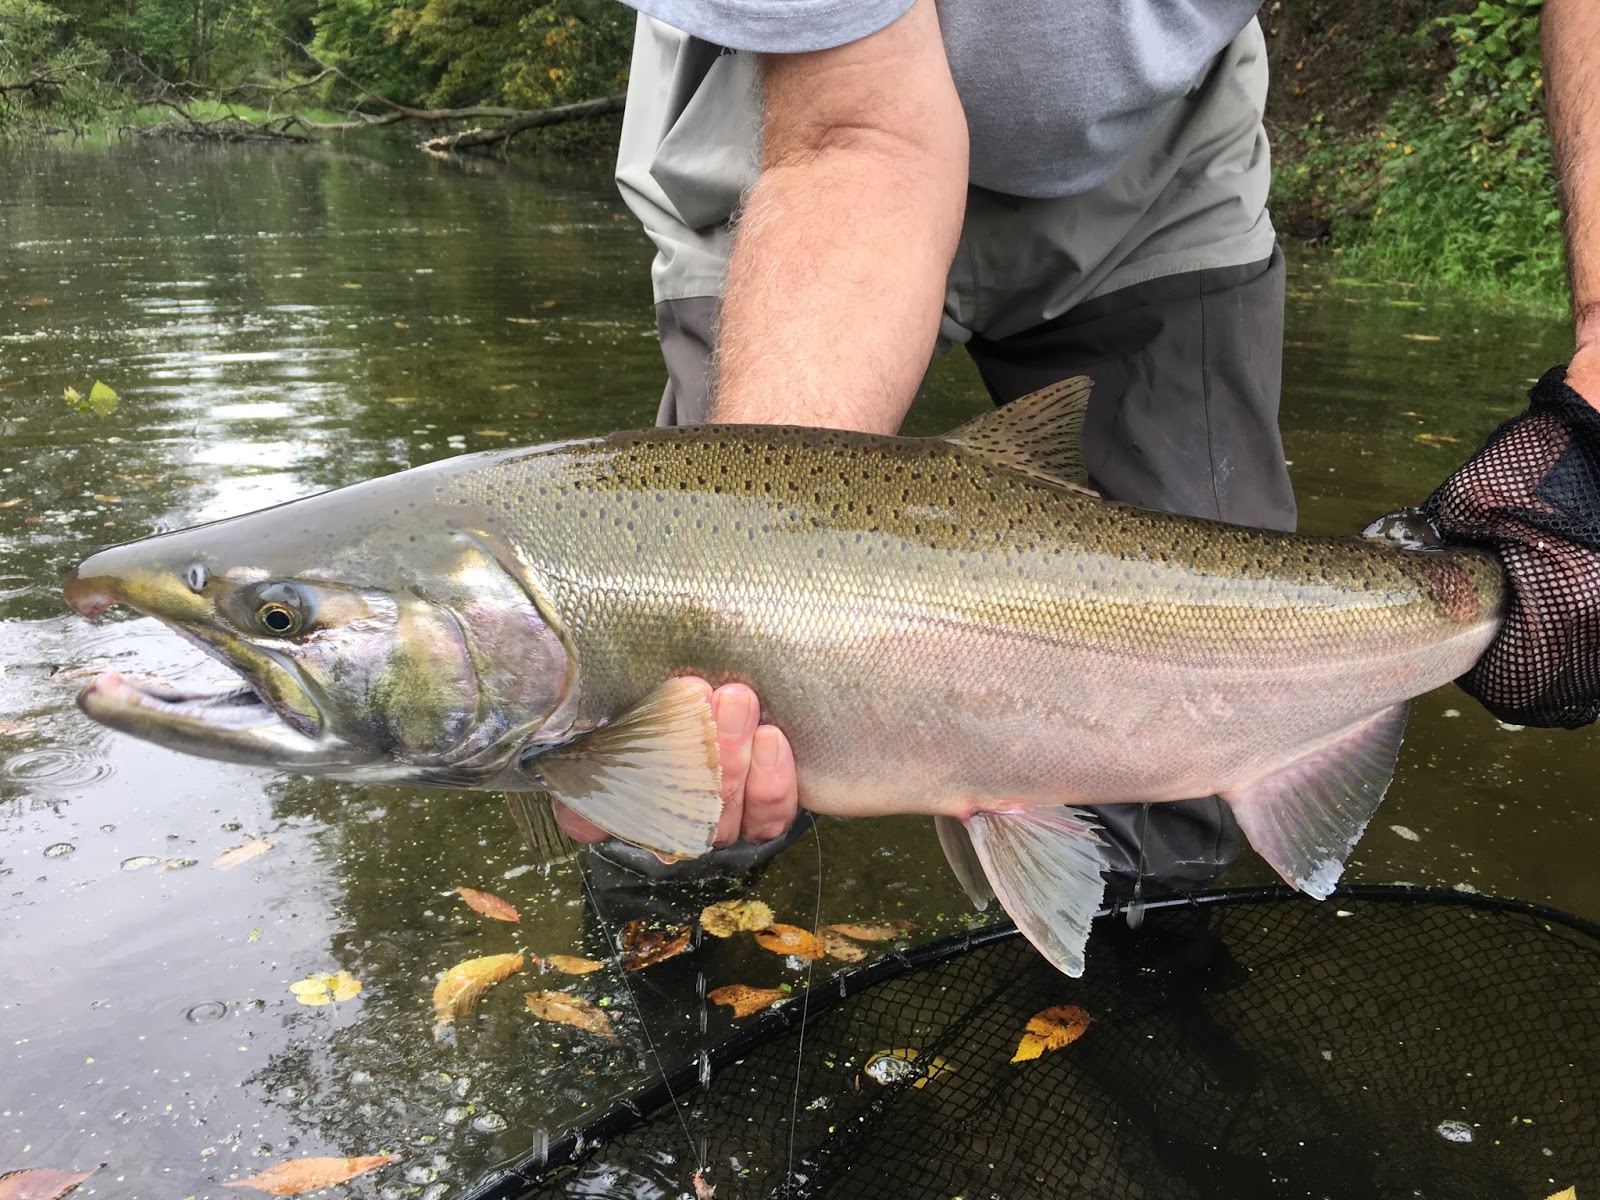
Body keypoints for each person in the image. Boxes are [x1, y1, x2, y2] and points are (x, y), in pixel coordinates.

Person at [556, 0, 1600, 886]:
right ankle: (659, 924)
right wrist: (761, 613)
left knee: (1175, 827)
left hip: (1162, 148)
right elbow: (856, 137)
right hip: (792, 122)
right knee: (672, 796)